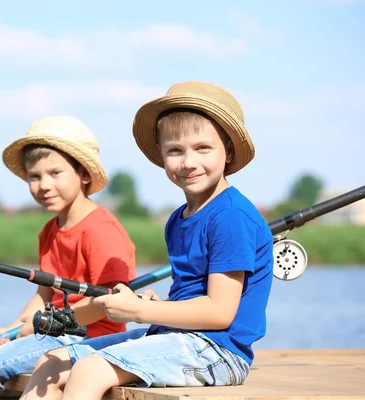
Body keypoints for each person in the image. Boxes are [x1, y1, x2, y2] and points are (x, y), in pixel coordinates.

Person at [19, 81, 274, 400]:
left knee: (89, 369)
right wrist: (155, 307)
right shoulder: (177, 219)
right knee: (51, 361)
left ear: (229, 151)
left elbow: (219, 313)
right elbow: (191, 298)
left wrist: (138, 312)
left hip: (218, 351)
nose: (188, 162)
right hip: (179, 337)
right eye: (175, 151)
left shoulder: (231, 216)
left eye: (202, 148)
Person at [0, 116, 137, 400]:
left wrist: (40, 325)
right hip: (50, 332)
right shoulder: (49, 232)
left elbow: (110, 303)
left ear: (84, 175)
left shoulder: (102, 230)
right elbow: (45, 295)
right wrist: (15, 328)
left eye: (55, 173)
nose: (44, 185)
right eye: (34, 176)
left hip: (93, 339)